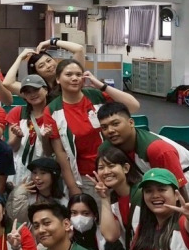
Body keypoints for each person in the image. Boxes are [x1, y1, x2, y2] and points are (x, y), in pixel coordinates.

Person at [97, 101, 189, 234]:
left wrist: (182, 220)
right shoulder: (107, 148)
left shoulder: (157, 150)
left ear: (131, 123)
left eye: (116, 124)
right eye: (104, 127)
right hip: (165, 189)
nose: (110, 130)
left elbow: (179, 189)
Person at [42, 59, 139, 198]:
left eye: (78, 74)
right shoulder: (52, 110)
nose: (75, 78)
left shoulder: (95, 96)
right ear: (58, 79)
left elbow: (133, 106)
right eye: (69, 74)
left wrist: (102, 86)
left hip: (116, 170)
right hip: (86, 177)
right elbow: (61, 154)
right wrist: (73, 187)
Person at [5, 75, 55, 186]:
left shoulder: (54, 114)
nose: (32, 94)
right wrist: (18, 136)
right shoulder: (17, 112)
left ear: (46, 90)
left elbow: (49, 152)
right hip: (19, 173)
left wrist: (45, 138)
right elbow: (13, 148)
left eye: (36, 89)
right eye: (27, 92)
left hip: (43, 174)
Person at [2, 39, 86, 99]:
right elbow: (7, 83)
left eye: (49, 60)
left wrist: (51, 41)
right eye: (41, 66)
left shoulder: (68, 81)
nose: (48, 66)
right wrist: (20, 57)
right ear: (36, 73)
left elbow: (78, 49)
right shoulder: (34, 90)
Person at [94, 146, 143, 247]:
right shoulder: (112, 198)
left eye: (111, 166)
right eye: (101, 168)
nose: (106, 172)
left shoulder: (143, 192)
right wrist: (104, 199)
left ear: (126, 168)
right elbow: (111, 236)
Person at [6, 158, 68, 225]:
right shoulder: (25, 194)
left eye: (43, 173)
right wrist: (19, 193)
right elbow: (18, 219)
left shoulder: (62, 202)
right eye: (34, 173)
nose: (37, 177)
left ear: (54, 176)